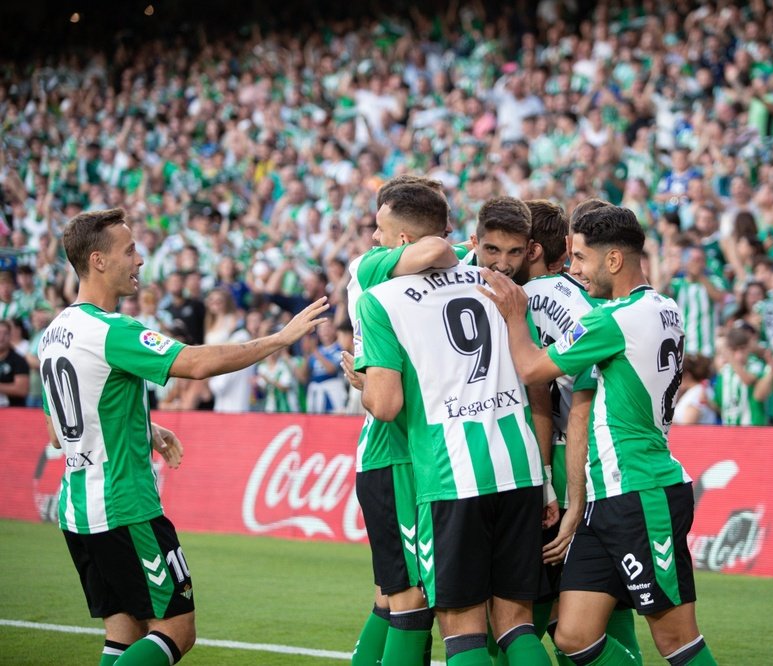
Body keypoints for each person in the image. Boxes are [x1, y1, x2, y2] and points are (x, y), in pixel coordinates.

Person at [38, 208, 328, 666]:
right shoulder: (112, 330)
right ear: (97, 260)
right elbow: (198, 364)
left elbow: (58, 431)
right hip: (123, 505)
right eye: (129, 251)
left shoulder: (54, 333)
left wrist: (144, 428)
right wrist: (279, 338)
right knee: (177, 630)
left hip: (77, 509)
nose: (140, 260)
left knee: (125, 634)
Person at [482, 205, 717, 665]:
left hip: (641, 491)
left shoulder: (614, 321)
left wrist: (514, 312)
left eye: (582, 259)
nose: (574, 271)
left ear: (613, 261)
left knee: (677, 640)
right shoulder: (664, 307)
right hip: (605, 496)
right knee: (572, 634)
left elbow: (532, 368)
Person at [353, 200, 551, 665]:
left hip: (453, 473)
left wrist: (363, 383)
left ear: (400, 241)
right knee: (516, 625)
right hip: (519, 465)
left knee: (461, 629)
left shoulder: (378, 299)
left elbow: (385, 406)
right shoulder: (497, 284)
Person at [343, 177, 458, 666]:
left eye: (380, 228)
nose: (373, 237)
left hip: (420, 454)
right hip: (393, 455)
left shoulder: (426, 283)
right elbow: (442, 249)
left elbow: (441, 251)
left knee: (392, 595)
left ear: (403, 238)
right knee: (411, 598)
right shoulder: (368, 269)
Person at [0, 318, 30, 407]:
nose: (1, 338)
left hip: (13, 411)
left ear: (10, 336)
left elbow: (22, 389)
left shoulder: (18, 360)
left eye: (5, 334)